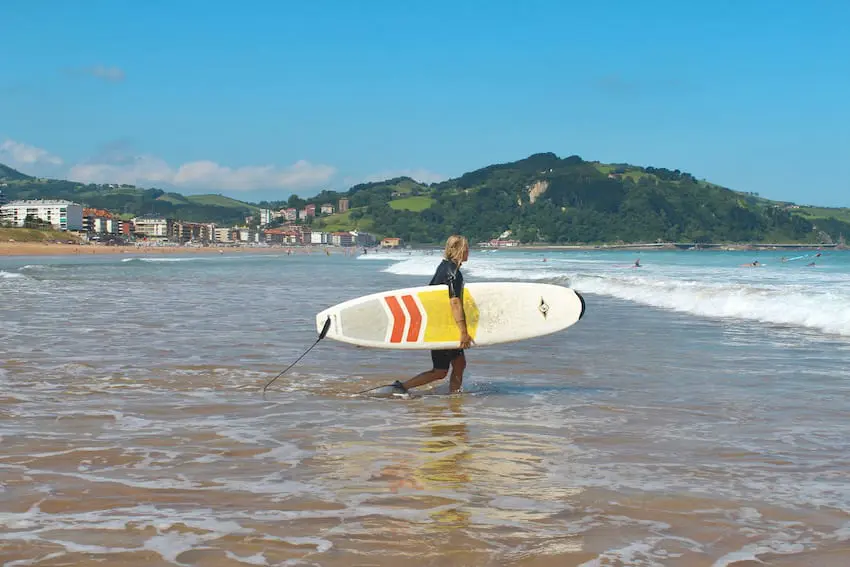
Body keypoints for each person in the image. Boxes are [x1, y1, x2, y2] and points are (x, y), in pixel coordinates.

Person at [392, 235, 473, 394]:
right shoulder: (453, 272)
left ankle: (454, 397)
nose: (468, 252)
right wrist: (463, 332)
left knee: (459, 363)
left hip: (442, 323)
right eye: (466, 248)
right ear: (459, 250)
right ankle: (401, 387)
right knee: (440, 371)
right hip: (441, 327)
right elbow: (454, 301)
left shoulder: (444, 266)